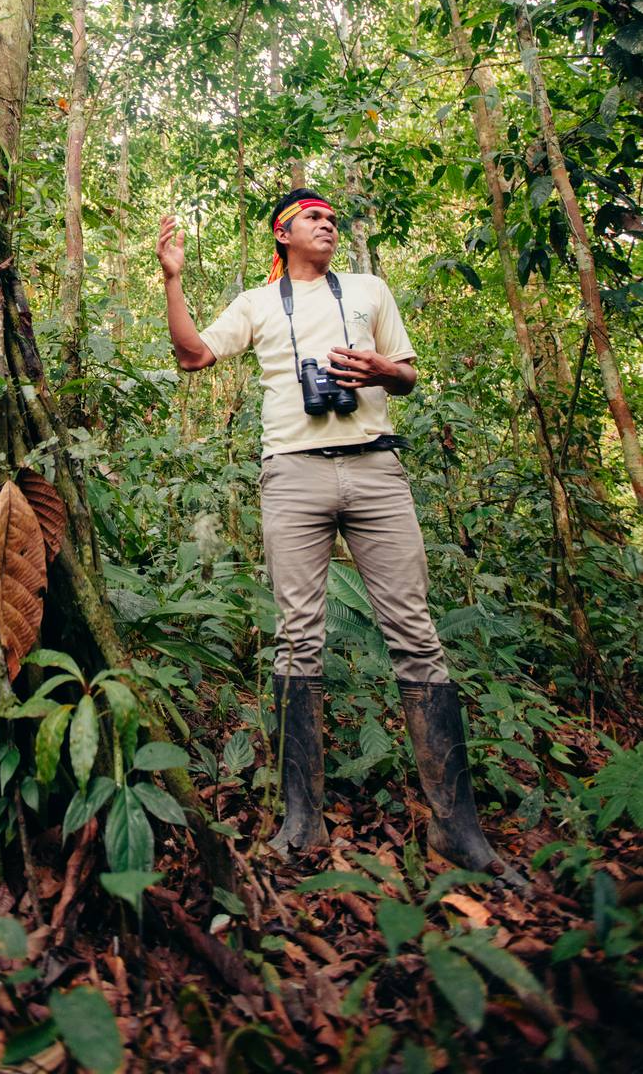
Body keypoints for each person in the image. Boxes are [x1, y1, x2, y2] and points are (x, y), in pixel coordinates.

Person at [157, 188, 519, 880]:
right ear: (282, 232)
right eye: (312, 218)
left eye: (330, 218)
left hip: (376, 468)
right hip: (292, 474)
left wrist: (385, 371)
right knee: (298, 635)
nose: (326, 225)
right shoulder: (258, 304)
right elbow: (194, 356)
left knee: (415, 634)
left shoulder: (369, 290)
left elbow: (406, 374)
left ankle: (457, 828)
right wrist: (173, 280)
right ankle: (302, 822)